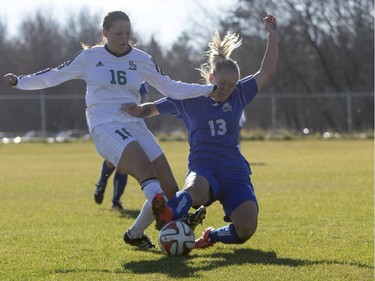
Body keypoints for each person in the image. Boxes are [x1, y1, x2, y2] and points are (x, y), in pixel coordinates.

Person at [3, 11, 216, 249]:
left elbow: (171, 88)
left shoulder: (141, 58)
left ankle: (136, 232)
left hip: (135, 124)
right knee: (145, 169)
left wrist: (209, 90)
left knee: (170, 189)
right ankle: (167, 215)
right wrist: (20, 81)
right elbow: (53, 76)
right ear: (104, 34)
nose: (124, 38)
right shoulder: (90, 58)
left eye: (127, 33)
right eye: (118, 33)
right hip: (105, 124)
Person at [122, 15, 278, 249]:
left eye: (232, 85)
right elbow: (153, 109)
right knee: (194, 191)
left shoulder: (239, 94)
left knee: (247, 227)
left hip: (234, 170)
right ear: (211, 77)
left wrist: (273, 35)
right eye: (222, 83)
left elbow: (266, 72)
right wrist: (136, 110)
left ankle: (209, 236)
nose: (227, 89)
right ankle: (170, 217)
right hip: (204, 168)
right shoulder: (190, 99)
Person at [94, 82, 150, 212]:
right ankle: (102, 183)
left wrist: (138, 109)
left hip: (130, 122)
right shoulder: (112, 70)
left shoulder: (137, 70)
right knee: (112, 160)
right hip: (111, 121)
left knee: (123, 163)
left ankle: (116, 201)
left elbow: (144, 96)